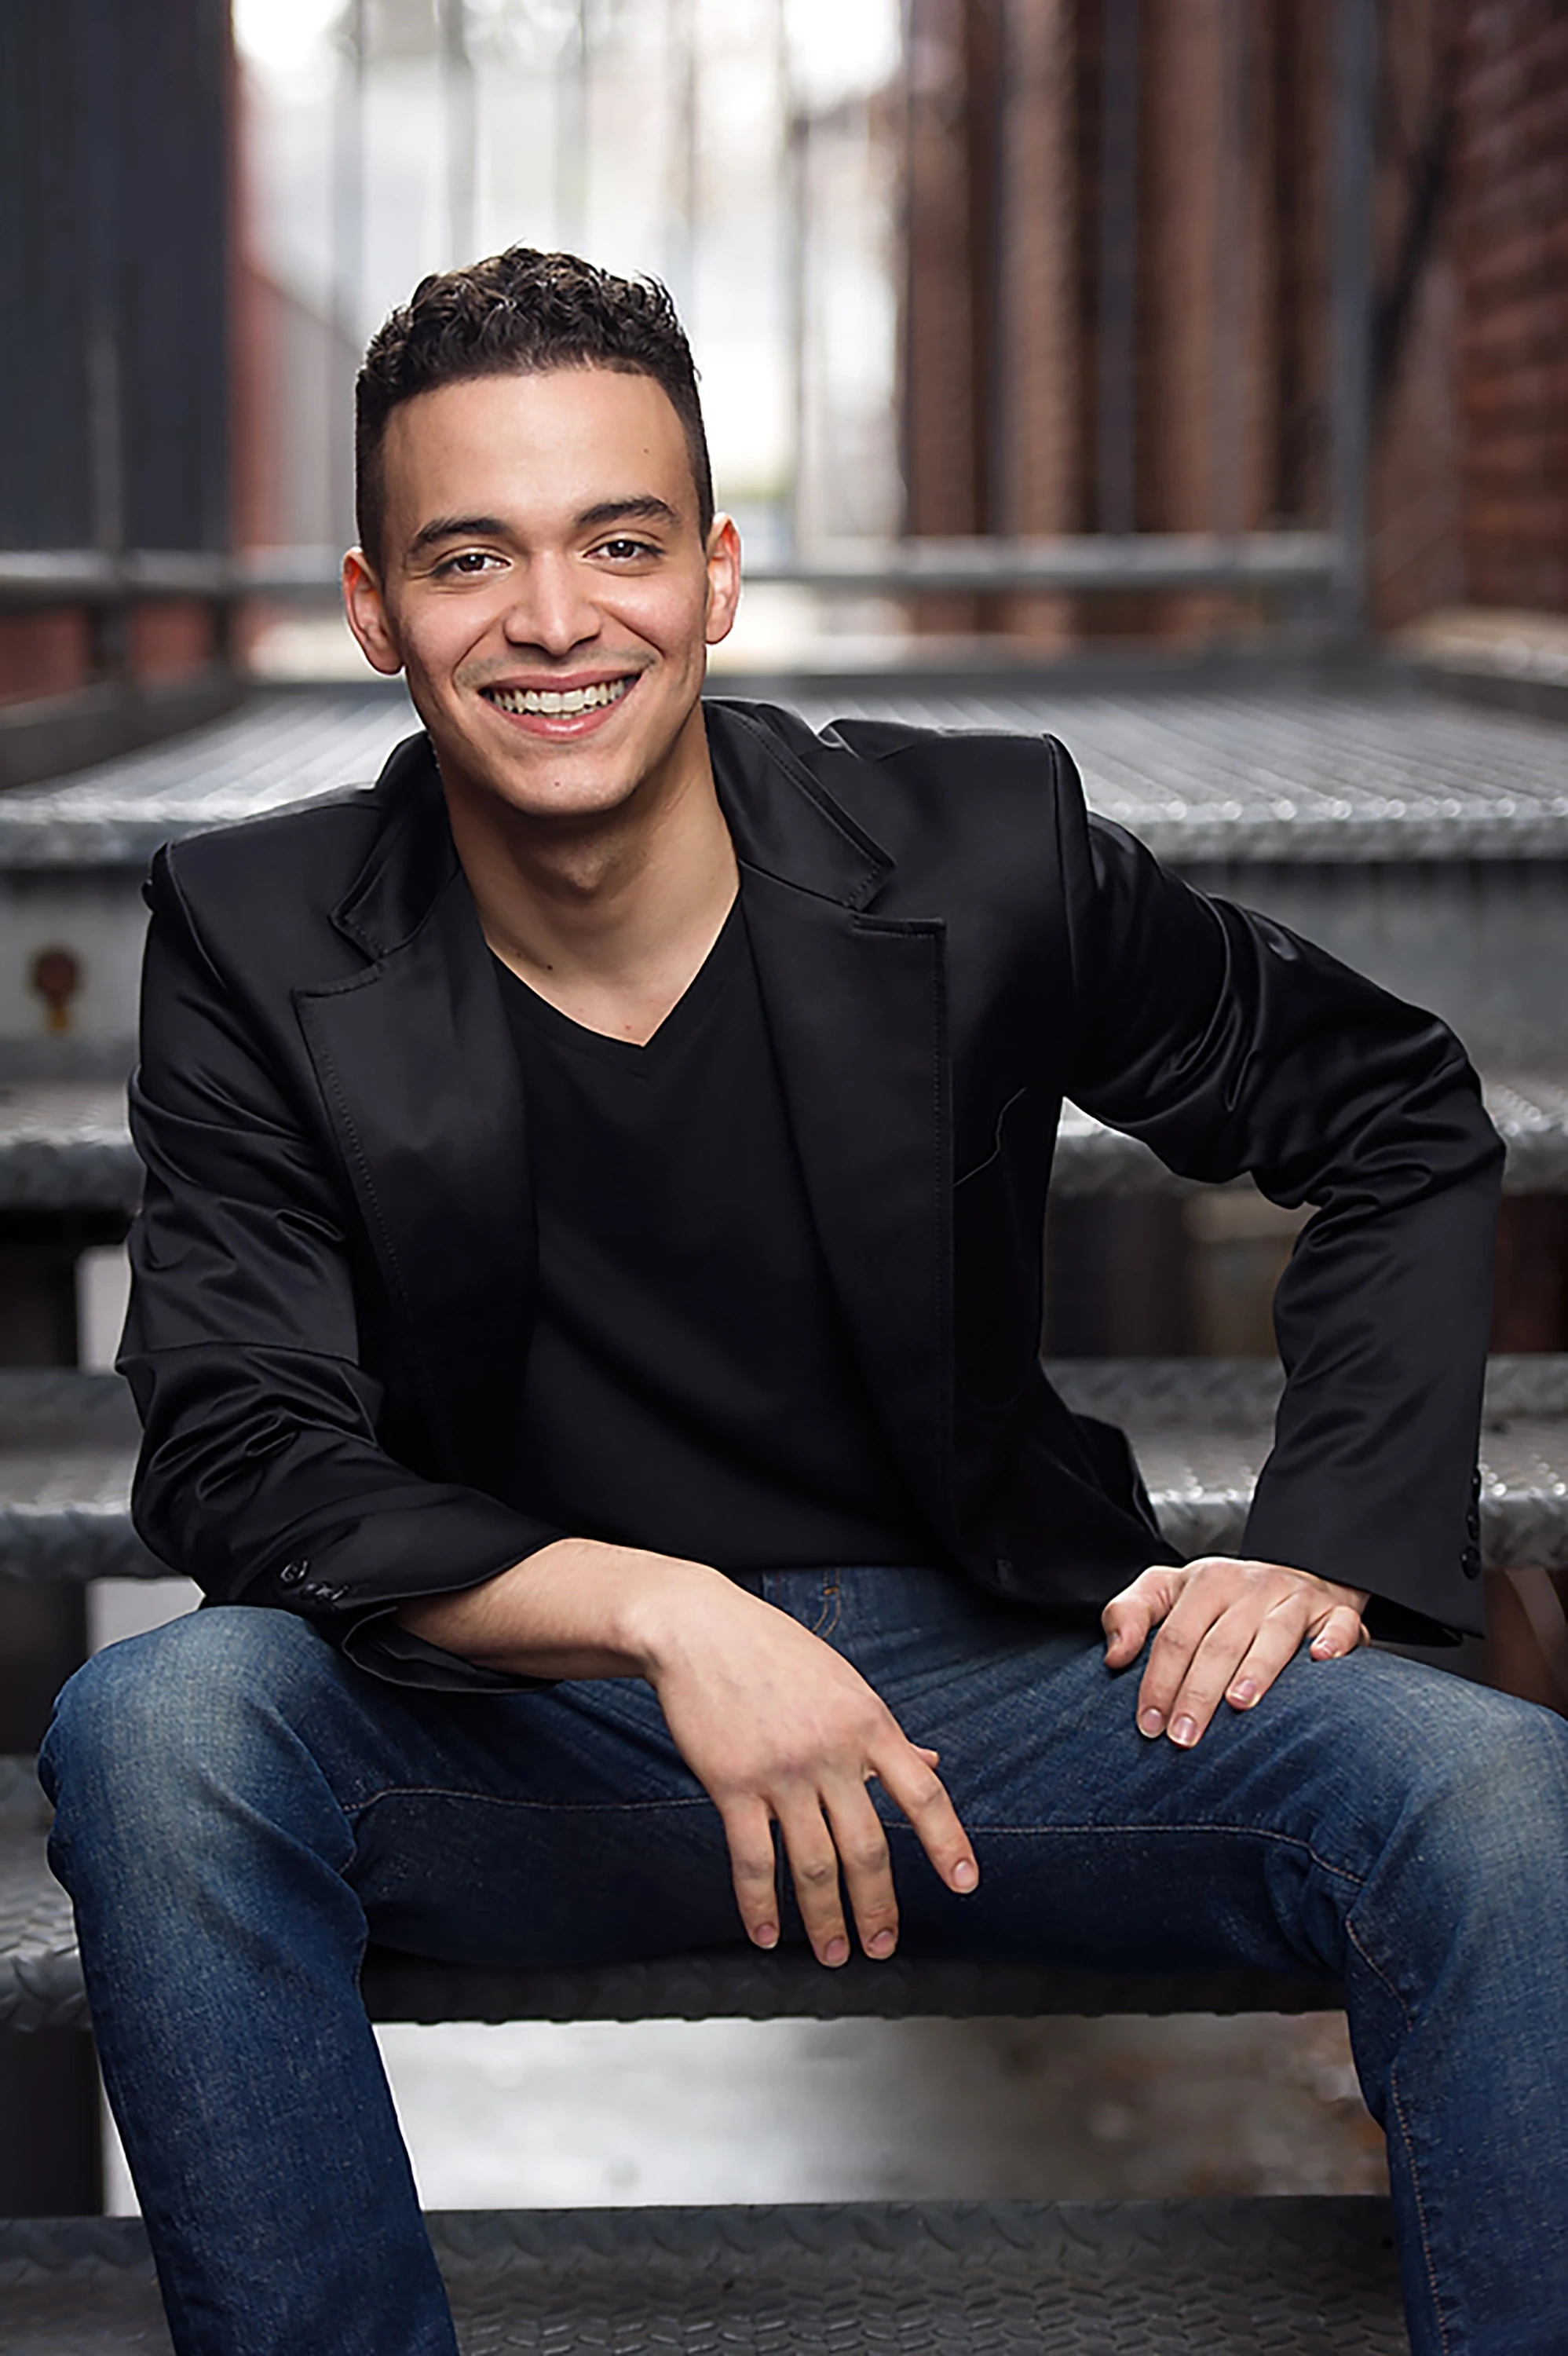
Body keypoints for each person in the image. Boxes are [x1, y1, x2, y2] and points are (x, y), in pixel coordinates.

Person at [42, 247, 1568, 2356]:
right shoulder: (251, 926)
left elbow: (1393, 1106)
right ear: (374, 607)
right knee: (160, 1729)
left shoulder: (976, 845)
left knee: (1487, 1798)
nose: (556, 619)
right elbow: (235, 1447)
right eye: (471, 555)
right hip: (518, 1720)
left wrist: (1320, 1526)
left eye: (621, 543)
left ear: (718, 575)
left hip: (981, 1705)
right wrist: (666, 1610)